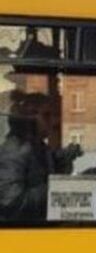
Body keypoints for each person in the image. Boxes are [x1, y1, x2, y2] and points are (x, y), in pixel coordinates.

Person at [0, 91, 80, 222]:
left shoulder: (38, 146)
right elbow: (12, 202)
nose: (53, 122)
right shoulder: (14, 151)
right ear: (29, 118)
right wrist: (55, 187)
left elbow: (44, 171)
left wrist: (65, 158)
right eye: (47, 116)